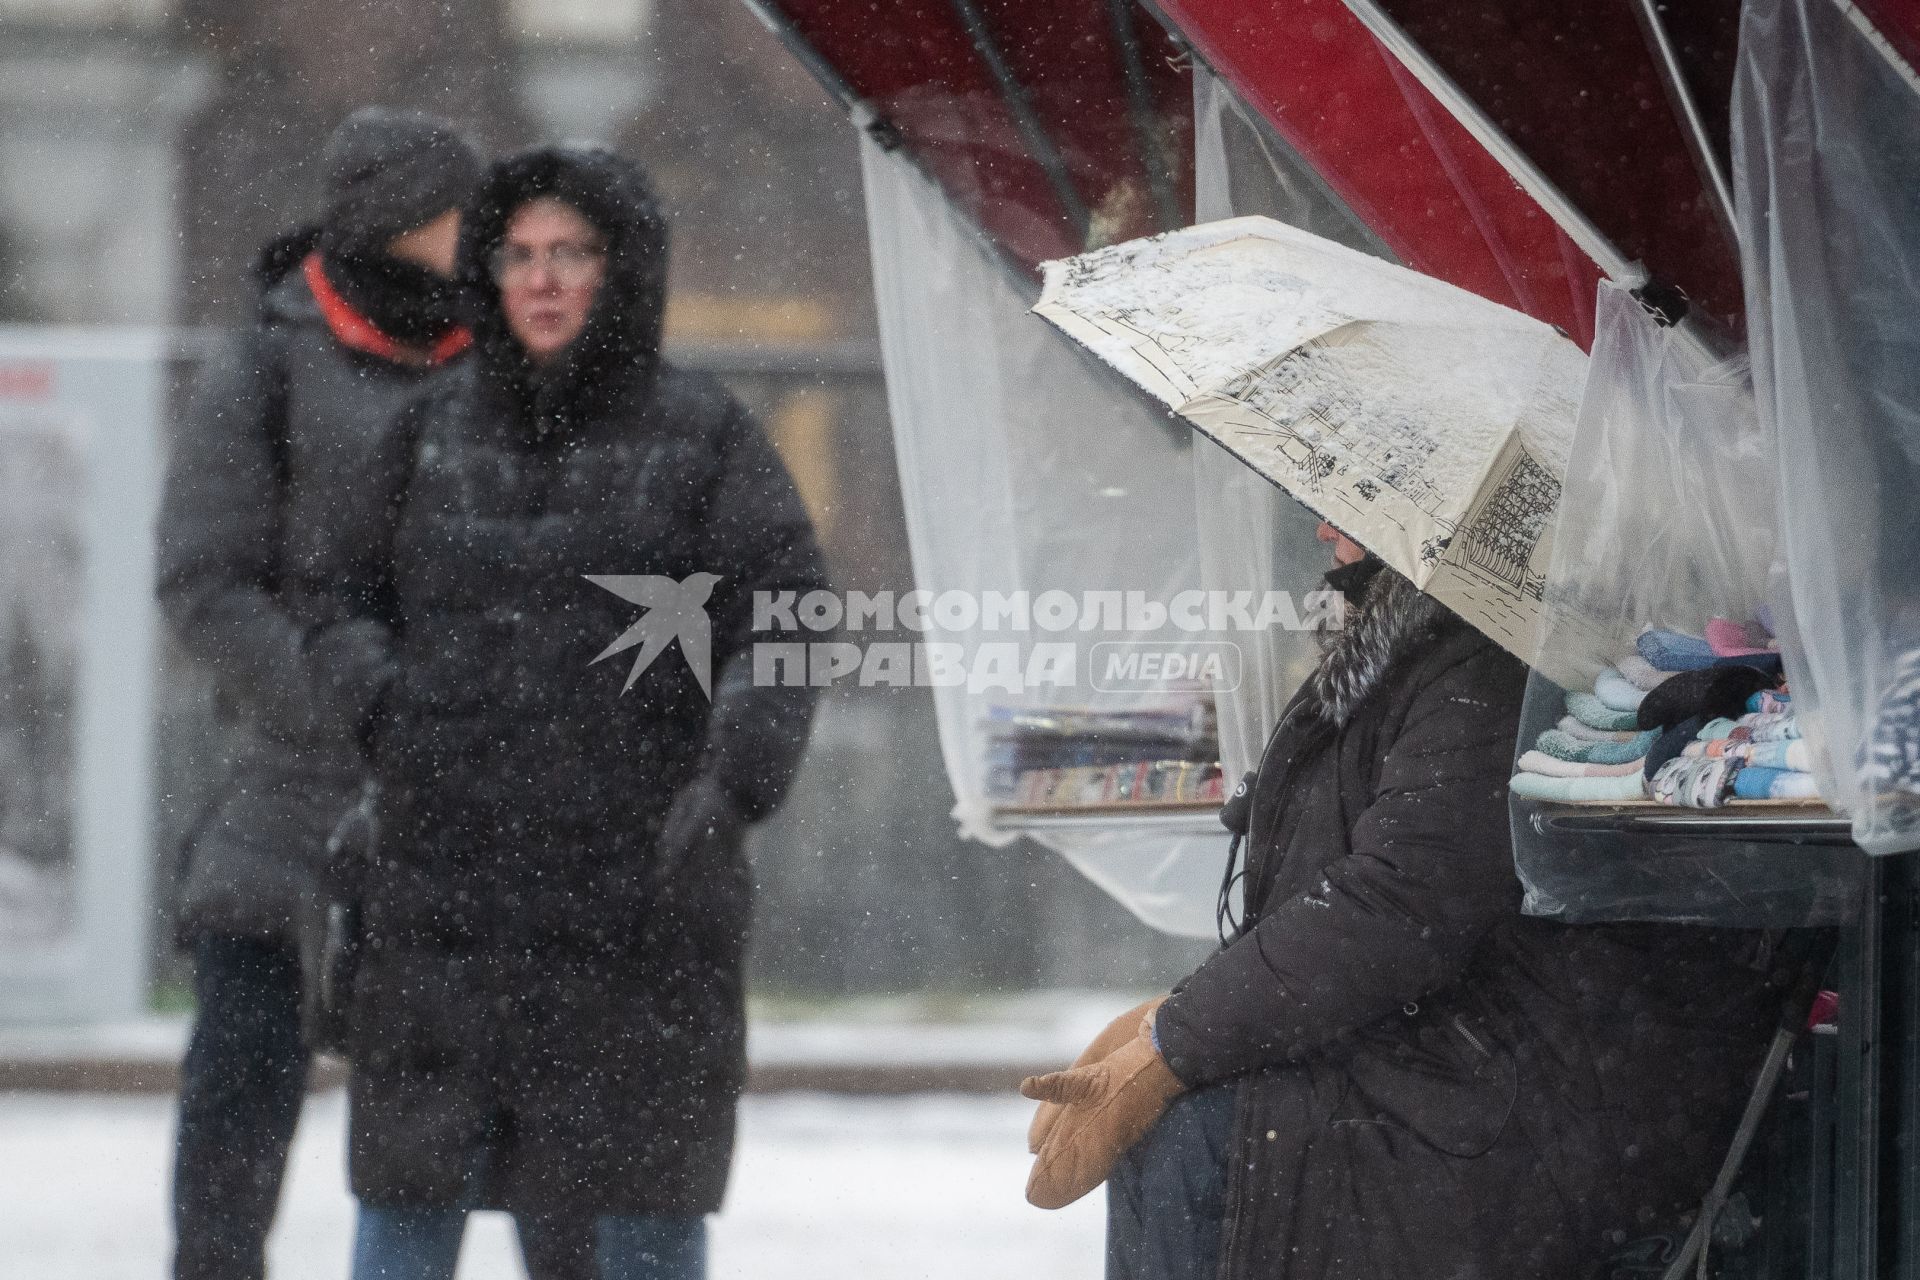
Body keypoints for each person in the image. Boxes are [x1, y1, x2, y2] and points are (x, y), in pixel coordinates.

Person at [1022, 522, 1801, 1280]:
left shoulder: (1484, 662)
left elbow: (1398, 904)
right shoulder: (1403, 654)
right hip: (1456, 1060)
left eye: (1352, 508)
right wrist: (1176, 1024)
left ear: (1431, 520)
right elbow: (1342, 899)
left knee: (1199, 1143)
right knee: (1193, 1136)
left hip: (1520, 1103)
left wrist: (1174, 1045)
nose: (1326, 531)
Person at [324, 143, 826, 1279]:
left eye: (573, 253)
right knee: (407, 1205)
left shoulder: (706, 436)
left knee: (637, 1217)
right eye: (519, 253)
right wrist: (388, 715)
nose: (543, 279)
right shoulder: (424, 433)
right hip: (442, 895)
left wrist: (734, 777)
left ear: (622, 268)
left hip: (638, 900)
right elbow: (337, 598)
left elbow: (788, 616)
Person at [159, 107, 594, 1280]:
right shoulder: (265, 362)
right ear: (399, 224)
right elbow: (205, 579)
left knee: (533, 1094)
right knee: (244, 1061)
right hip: (299, 786)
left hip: (487, 791)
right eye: (462, 218)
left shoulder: (521, 357)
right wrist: (343, 705)